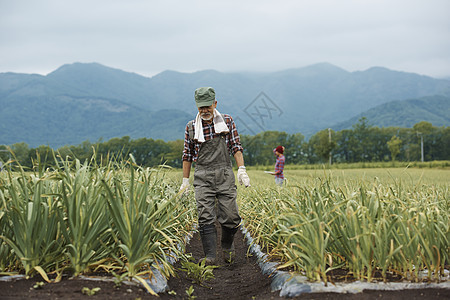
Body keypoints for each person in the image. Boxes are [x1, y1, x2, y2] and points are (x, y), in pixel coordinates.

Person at [180, 87, 251, 264]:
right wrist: (185, 181)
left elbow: (236, 146)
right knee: (205, 215)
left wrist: (241, 169)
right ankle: (210, 256)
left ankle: (227, 245)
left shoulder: (227, 121)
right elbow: (187, 155)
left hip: (224, 174)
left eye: (207, 106)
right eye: (200, 107)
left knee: (231, 216)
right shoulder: (191, 127)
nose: (204, 110)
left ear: (215, 103)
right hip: (203, 176)